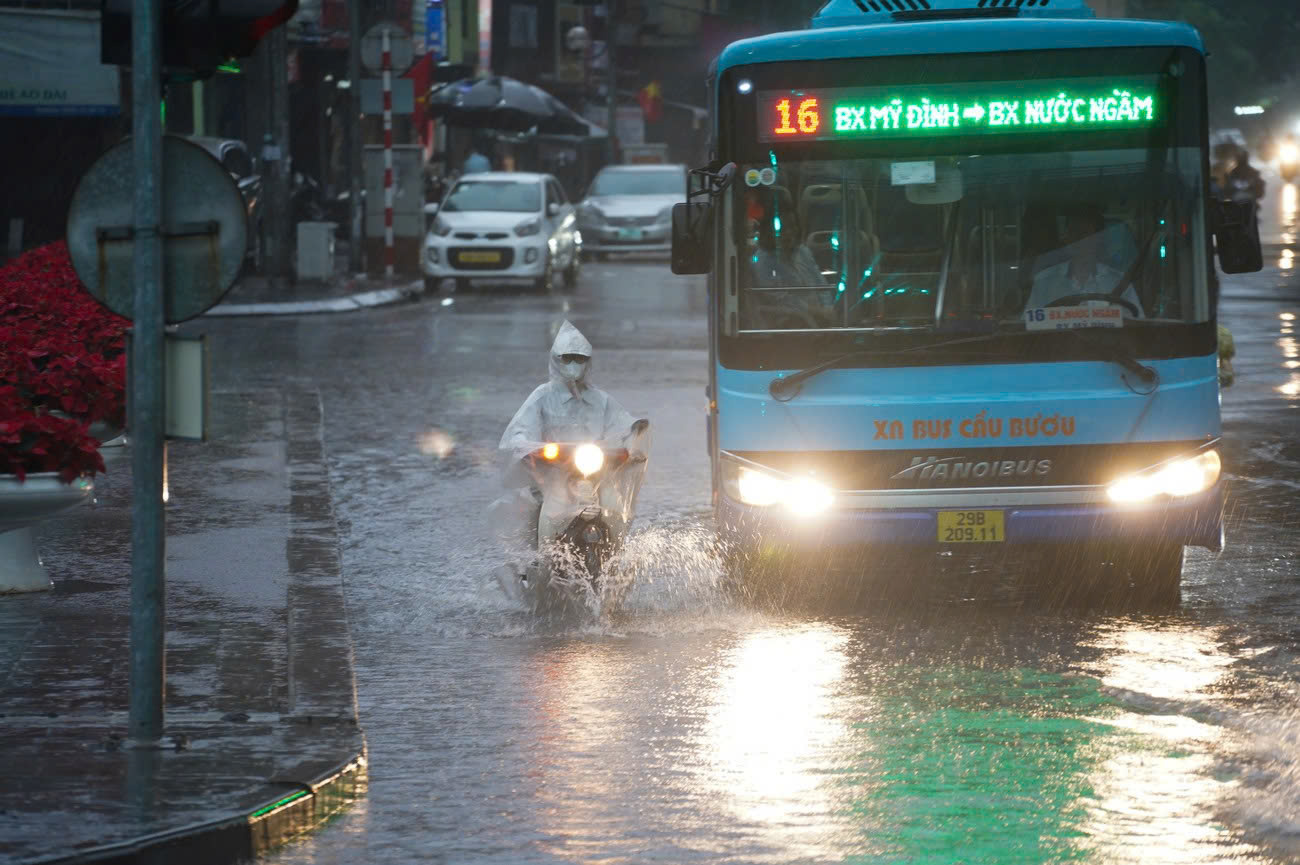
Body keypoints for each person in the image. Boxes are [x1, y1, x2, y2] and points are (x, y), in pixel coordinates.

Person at [498, 321, 646, 546]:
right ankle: (548, 554)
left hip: (597, 471)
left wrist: (633, 440)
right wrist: (528, 447)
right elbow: (519, 431)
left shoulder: (601, 400)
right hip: (555, 471)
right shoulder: (542, 397)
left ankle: (617, 555)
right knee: (554, 509)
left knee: (615, 507)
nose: (574, 364)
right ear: (556, 360)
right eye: (567, 358)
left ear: (588, 362)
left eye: (580, 358)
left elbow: (623, 426)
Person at [1024, 205, 1144, 318]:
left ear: (1098, 239)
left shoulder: (1118, 282)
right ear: (1067, 237)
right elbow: (1027, 325)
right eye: (1073, 232)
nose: (1078, 239)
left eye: (1085, 233)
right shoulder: (1044, 282)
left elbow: (1137, 325)